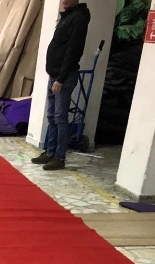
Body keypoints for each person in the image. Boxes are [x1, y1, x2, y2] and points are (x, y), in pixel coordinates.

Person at [32, 0, 91, 171]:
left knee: (60, 118)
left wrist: (61, 78)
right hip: (55, 74)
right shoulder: (68, 16)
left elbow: (73, 50)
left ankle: (59, 157)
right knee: (51, 116)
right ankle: (50, 152)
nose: (63, 1)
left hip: (63, 77)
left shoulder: (78, 17)